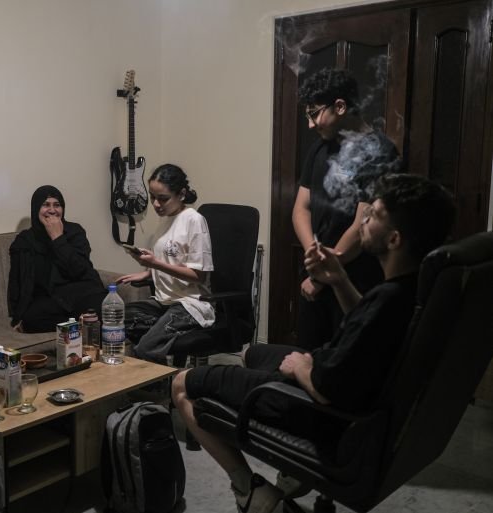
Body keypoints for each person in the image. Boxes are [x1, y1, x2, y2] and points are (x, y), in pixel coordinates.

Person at [172, 174, 455, 513]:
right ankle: (295, 474)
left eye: (374, 215)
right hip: (344, 388)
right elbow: (365, 324)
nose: (362, 219)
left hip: (319, 406)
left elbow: (328, 389)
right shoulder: (407, 289)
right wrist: (338, 279)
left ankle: (249, 490)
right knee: (254, 353)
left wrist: (303, 369)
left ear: (394, 239)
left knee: (181, 386)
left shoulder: (388, 301)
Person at [292, 67, 402, 350]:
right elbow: (301, 209)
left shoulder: (379, 151)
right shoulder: (319, 149)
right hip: (316, 274)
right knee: (307, 355)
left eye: (314, 113)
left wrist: (323, 272)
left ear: (339, 106)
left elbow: (362, 223)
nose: (311, 124)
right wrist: (314, 259)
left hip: (354, 279)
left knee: (346, 360)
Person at [118, 164, 214, 364]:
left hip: (190, 305)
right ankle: (161, 371)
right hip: (164, 302)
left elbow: (199, 275)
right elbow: (171, 260)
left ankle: (162, 385)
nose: (155, 204)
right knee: (116, 321)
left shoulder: (194, 220)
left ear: (181, 194)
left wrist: (156, 264)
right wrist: (147, 272)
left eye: (163, 198)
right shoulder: (166, 219)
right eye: (153, 197)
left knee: (145, 348)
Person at [7, 185, 106, 333]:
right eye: (46, 205)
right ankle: (80, 323)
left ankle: (79, 323)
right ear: (36, 209)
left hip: (79, 294)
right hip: (50, 301)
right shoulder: (25, 241)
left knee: (103, 306)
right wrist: (15, 314)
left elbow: (80, 270)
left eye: (57, 205)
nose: (52, 210)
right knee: (30, 319)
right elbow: (16, 281)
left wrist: (58, 238)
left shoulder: (74, 232)